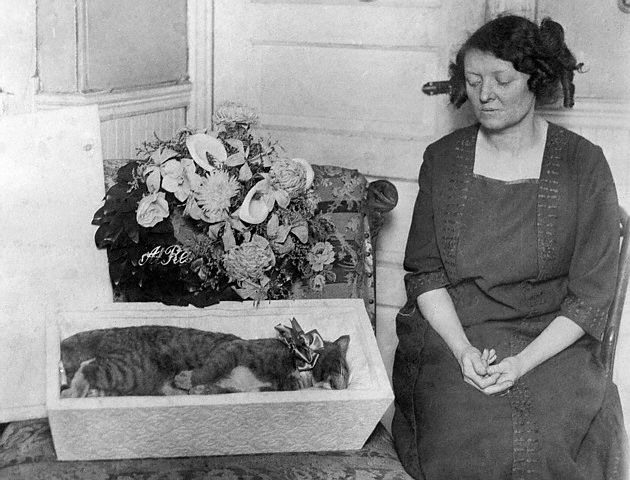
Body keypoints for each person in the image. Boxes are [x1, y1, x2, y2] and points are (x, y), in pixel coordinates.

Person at [391, 14, 628, 480]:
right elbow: (426, 274)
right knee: (471, 431)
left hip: (552, 344)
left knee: (548, 439)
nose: (484, 95)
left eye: (502, 80)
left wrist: (521, 364)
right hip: (456, 336)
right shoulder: (441, 160)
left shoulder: (584, 163)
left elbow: (590, 298)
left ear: (535, 80)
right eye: (473, 80)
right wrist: (463, 351)